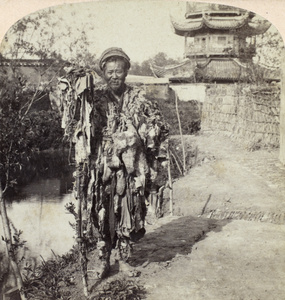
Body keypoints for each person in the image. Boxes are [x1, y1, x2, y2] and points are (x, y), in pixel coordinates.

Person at [58, 47, 169, 279]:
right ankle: (104, 260)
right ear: (103, 73)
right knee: (103, 209)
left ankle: (124, 259)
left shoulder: (138, 98)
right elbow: (80, 127)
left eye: (119, 71)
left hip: (130, 167)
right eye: (109, 72)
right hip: (103, 165)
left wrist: (146, 130)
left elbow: (158, 125)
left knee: (129, 208)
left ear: (126, 71)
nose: (114, 76)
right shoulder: (95, 100)